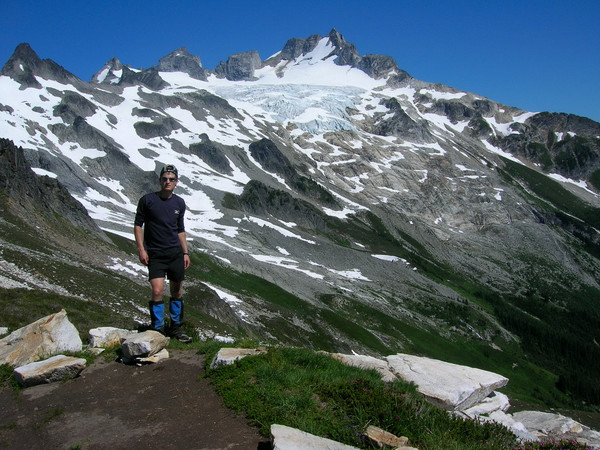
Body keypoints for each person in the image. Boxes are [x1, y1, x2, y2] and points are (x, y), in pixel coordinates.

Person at [134, 164, 192, 343]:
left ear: (176, 182)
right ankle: (158, 328)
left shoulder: (179, 203)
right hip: (155, 254)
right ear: (159, 181)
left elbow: (180, 229)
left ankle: (176, 327)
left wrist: (185, 252)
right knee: (157, 290)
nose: (168, 182)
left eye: (171, 179)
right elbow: (138, 225)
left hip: (175, 253)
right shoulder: (147, 200)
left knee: (177, 291)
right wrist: (141, 249)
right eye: (165, 179)